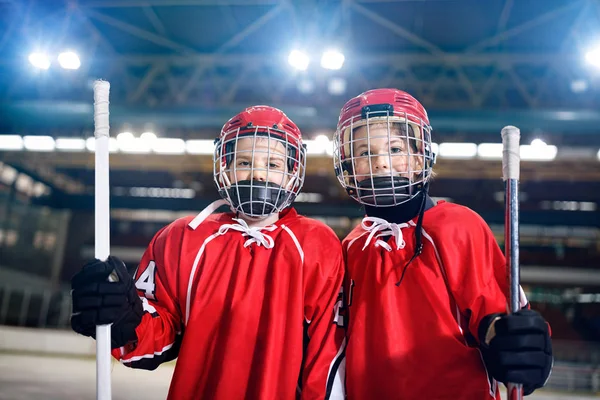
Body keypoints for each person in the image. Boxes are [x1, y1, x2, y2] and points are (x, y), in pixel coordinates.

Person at [71, 105, 346, 400]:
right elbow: (157, 336)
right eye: (243, 161)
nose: (257, 173)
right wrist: (124, 320)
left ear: (293, 172)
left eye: (273, 164)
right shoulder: (181, 237)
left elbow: (326, 354)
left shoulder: (317, 244)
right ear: (225, 167)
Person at [332, 88, 553, 399]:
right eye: (366, 153)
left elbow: (495, 318)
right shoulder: (351, 245)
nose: (381, 163)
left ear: (421, 156)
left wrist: (511, 341)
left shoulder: (458, 226)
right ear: (347, 165)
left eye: (395, 149)